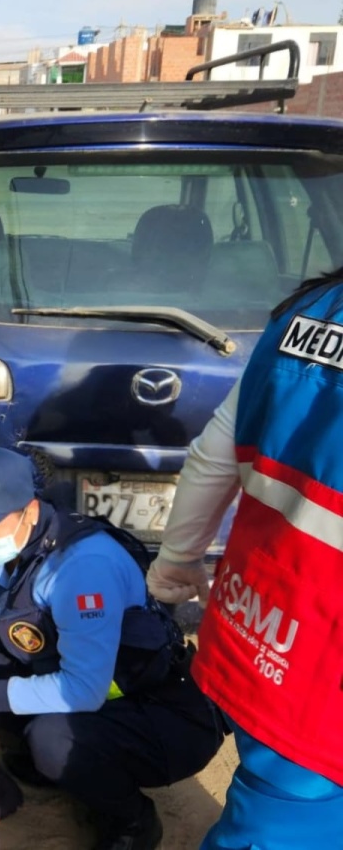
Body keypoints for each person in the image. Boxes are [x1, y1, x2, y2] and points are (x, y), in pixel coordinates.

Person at [0, 448, 225, 850]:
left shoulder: (81, 567)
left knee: (52, 739)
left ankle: (132, 821)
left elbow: (85, 688)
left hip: (157, 710)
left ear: (30, 511)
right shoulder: (3, 547)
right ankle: (51, 763)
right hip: (90, 682)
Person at [146, 263, 343, 849]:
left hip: (261, 625)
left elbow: (213, 454)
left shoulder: (307, 310)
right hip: (321, 674)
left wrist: (176, 560)